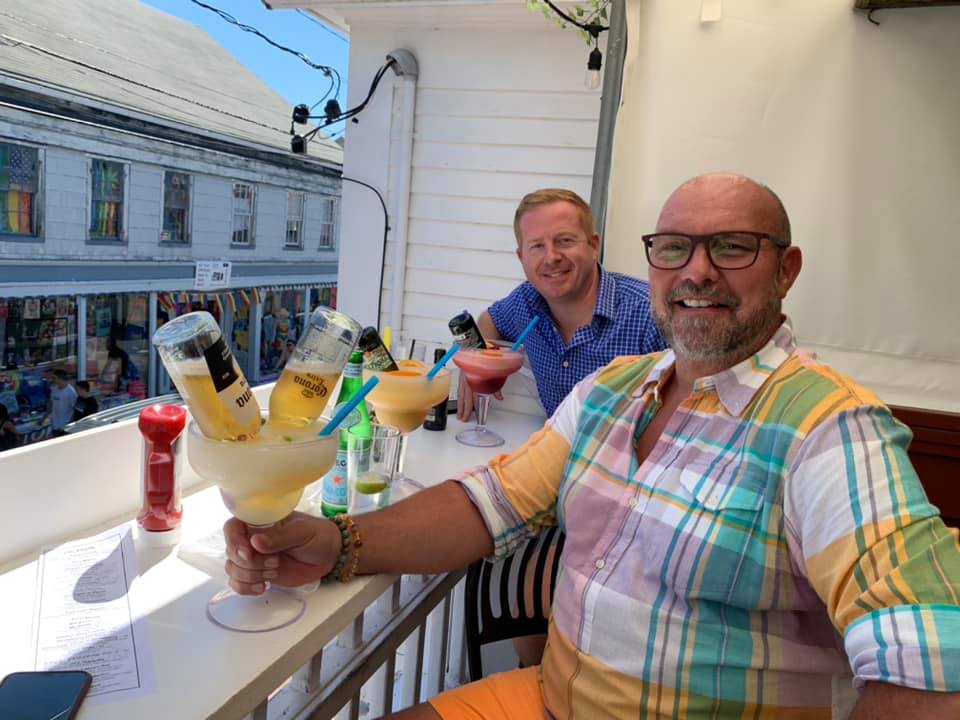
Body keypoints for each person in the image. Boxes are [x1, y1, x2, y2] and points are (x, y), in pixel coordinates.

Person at [223, 173, 960, 719]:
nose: (698, 270)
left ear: (786, 270)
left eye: (733, 248)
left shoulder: (828, 427)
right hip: (551, 698)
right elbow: (488, 503)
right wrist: (335, 541)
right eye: (675, 248)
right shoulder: (614, 390)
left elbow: (933, 658)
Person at [457, 188, 667, 422]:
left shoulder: (652, 314)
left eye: (565, 241)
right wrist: (474, 361)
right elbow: (490, 320)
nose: (551, 257)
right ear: (521, 257)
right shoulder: (527, 301)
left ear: (594, 245)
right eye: (537, 246)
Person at [45, 369, 76, 438]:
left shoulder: (71, 392)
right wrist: (43, 418)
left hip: (65, 427)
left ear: (60, 378)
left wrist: (69, 425)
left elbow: (75, 410)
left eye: (54, 378)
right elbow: (51, 405)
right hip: (55, 426)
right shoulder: (54, 389)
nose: (52, 380)